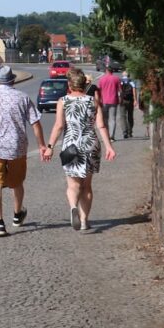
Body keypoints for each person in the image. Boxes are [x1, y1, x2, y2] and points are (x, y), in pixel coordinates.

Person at [0, 65, 48, 238]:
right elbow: (35, 123)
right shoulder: (22, 97)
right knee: (17, 183)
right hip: (17, 148)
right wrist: (42, 145)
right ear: (13, 81)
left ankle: (0, 223)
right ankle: (17, 214)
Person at [43, 68, 117, 231]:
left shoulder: (63, 101)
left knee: (73, 185)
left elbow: (59, 125)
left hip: (71, 146)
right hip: (90, 145)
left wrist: (50, 147)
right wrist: (109, 147)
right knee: (87, 186)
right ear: (84, 84)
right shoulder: (93, 101)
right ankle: (84, 221)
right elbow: (101, 125)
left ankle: (73, 207)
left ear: (69, 85)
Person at [96, 64, 122, 140]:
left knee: (105, 119)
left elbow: (99, 91)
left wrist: (99, 100)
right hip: (114, 100)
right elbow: (120, 91)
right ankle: (112, 136)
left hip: (104, 101)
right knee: (112, 118)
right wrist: (120, 98)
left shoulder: (101, 79)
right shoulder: (116, 79)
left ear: (106, 71)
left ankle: (106, 135)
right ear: (112, 71)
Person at [119, 71, 137, 138]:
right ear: (128, 75)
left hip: (122, 100)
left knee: (122, 116)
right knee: (130, 116)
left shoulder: (120, 81)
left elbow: (119, 91)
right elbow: (134, 90)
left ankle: (125, 132)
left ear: (122, 75)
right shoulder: (131, 81)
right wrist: (135, 100)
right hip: (130, 100)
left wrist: (119, 98)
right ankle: (130, 132)